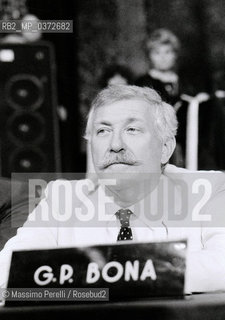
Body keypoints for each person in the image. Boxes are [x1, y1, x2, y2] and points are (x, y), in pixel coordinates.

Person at [0, 85, 225, 294]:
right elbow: (8, 270)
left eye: (132, 129)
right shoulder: (61, 198)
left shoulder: (207, 191)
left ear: (165, 148)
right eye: (103, 131)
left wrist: (99, 272)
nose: (115, 145)